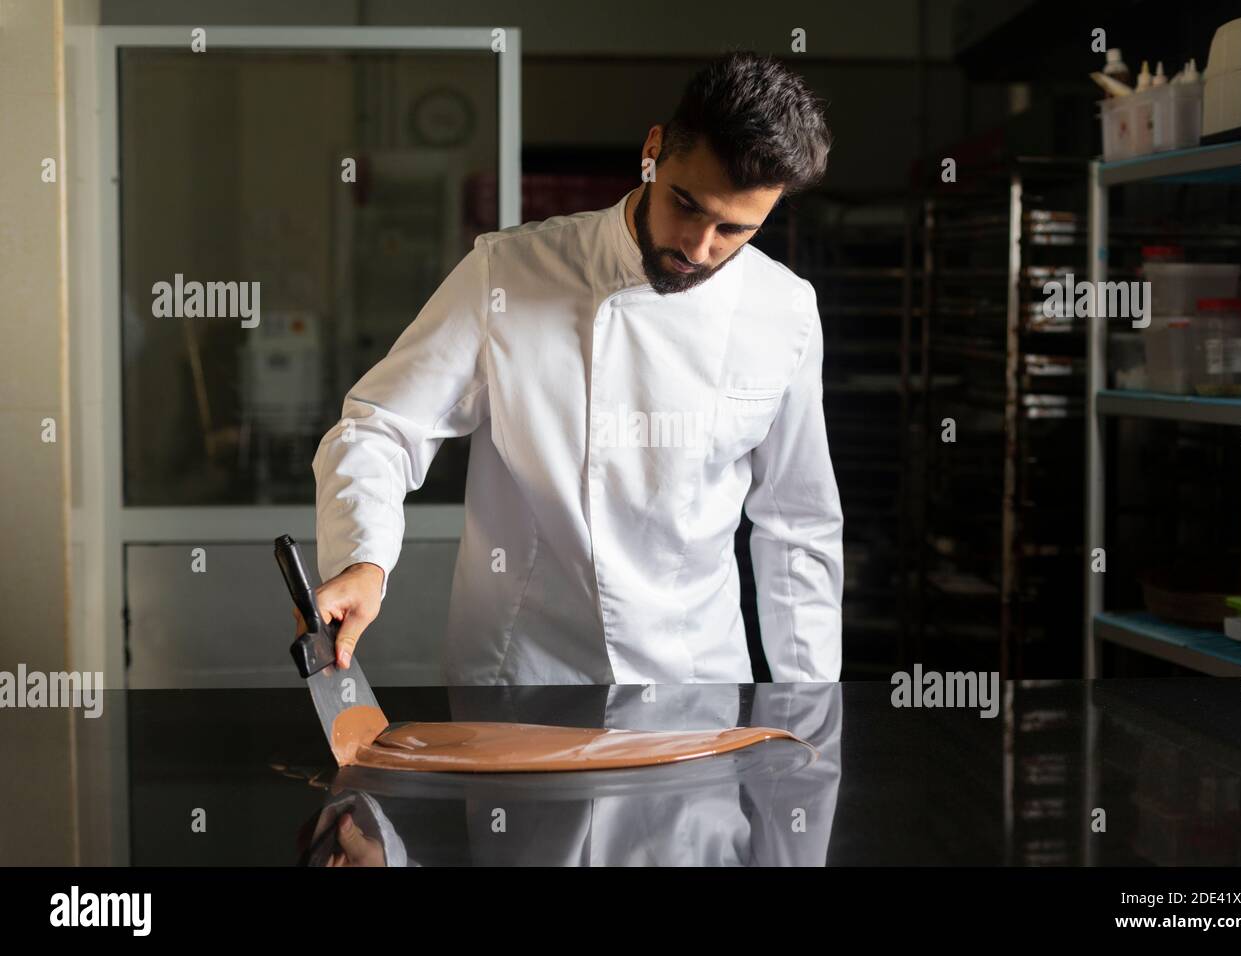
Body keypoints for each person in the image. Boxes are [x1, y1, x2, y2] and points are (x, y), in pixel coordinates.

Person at [307, 51, 843, 684]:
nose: (699, 248)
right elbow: (379, 427)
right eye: (687, 205)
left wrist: (809, 706)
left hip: (697, 681)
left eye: (734, 229)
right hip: (522, 676)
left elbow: (797, 526)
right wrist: (363, 559)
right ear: (653, 151)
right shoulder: (508, 272)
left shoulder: (783, 310)